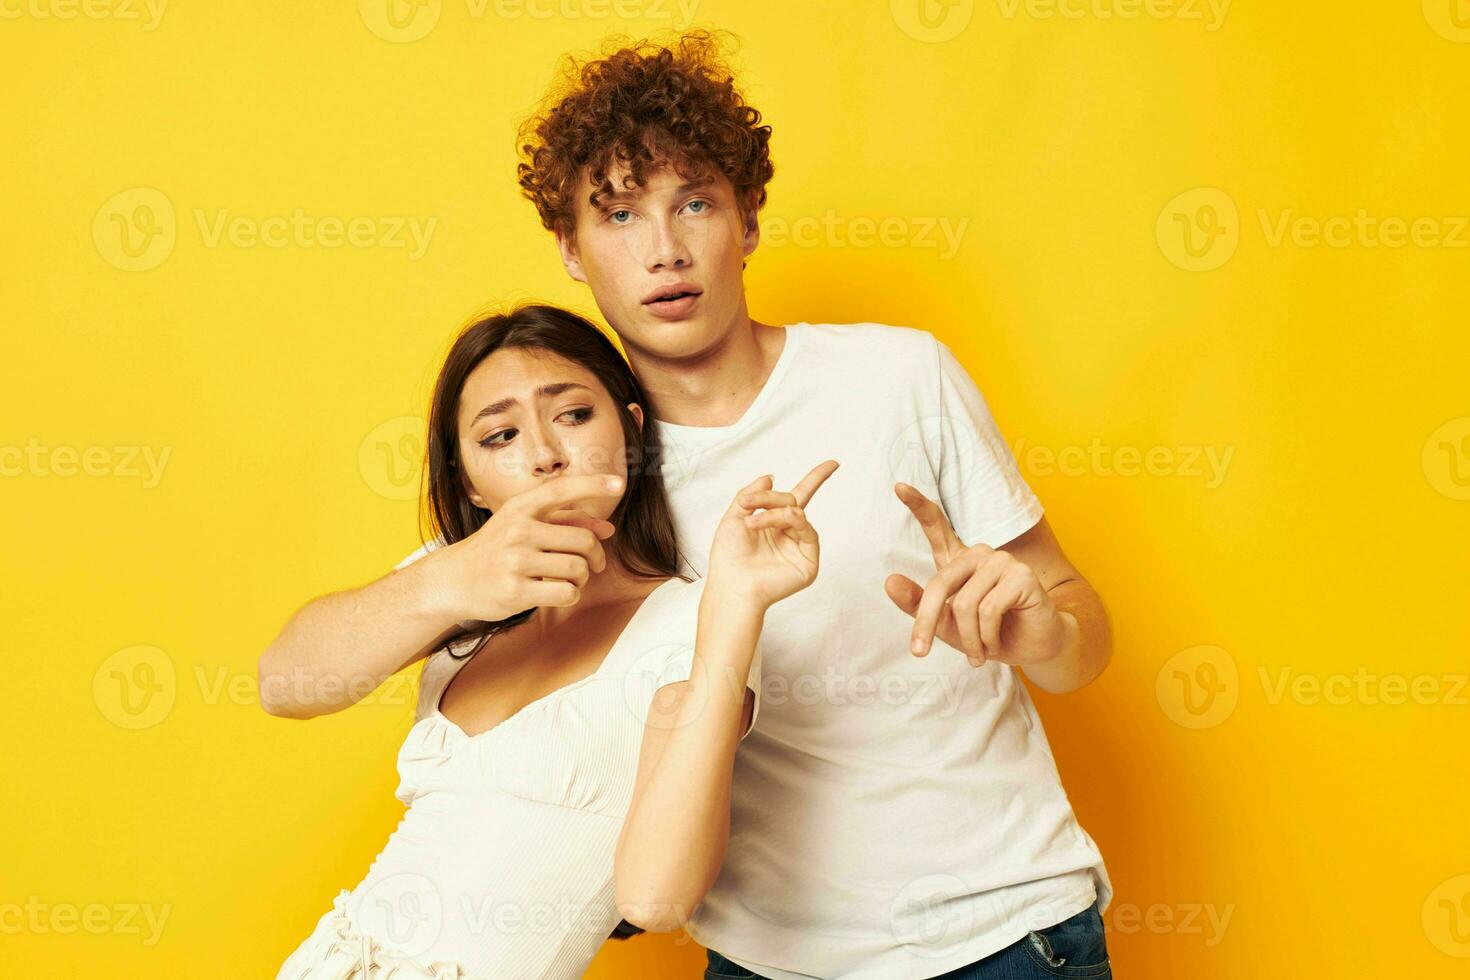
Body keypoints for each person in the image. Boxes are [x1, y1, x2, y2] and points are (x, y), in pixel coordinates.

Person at [266, 29, 1116, 980]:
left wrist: (1041, 633)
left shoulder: (900, 374)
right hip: (762, 957)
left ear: (747, 221)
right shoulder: (583, 472)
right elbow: (295, 677)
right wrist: (451, 580)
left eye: (696, 204)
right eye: (619, 216)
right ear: (572, 251)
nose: (664, 250)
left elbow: (1081, 630)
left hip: (1000, 933)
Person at [262, 304, 836, 978]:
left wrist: (737, 605)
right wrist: (450, 578)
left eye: (572, 415)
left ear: (633, 431)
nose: (543, 455)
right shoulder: (465, 579)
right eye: (500, 435)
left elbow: (656, 897)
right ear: (470, 484)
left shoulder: (693, 618)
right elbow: (285, 684)